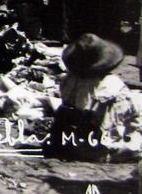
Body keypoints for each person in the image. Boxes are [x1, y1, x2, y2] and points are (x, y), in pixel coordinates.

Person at [45, 33, 142, 162]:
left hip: (68, 141)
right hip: (96, 147)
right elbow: (119, 124)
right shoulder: (113, 86)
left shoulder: (68, 80)